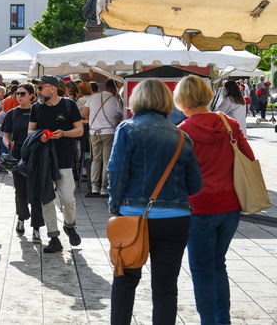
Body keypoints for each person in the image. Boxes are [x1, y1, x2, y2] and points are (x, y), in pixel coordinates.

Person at [108, 78, 202, 325]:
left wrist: (115, 206)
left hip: (134, 216)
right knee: (165, 286)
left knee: (125, 279)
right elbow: (195, 185)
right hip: (175, 218)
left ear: (136, 99)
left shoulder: (127, 129)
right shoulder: (182, 136)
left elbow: (116, 172)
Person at [175, 75, 255, 325]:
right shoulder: (228, 123)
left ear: (182, 99)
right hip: (230, 206)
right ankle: (222, 320)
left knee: (201, 270)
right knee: (218, 264)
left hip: (198, 208)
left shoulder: (183, 131)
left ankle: (209, 321)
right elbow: (249, 158)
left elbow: (176, 174)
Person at [27, 75, 83, 253]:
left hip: (64, 159)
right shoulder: (36, 107)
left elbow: (79, 130)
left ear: (52, 88)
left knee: (68, 199)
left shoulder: (69, 105)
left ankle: (69, 225)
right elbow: (30, 131)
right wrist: (40, 136)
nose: (38, 91)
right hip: (43, 160)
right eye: (37, 88)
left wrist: (64, 134)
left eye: (40, 88)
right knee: (47, 200)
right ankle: (54, 237)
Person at [2, 83, 44, 244]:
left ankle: (36, 228)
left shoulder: (38, 112)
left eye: (23, 93)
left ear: (32, 95)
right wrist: (7, 143)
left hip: (35, 154)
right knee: (20, 190)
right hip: (17, 153)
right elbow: (6, 135)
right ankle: (21, 217)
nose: (19, 96)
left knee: (36, 192)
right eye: (17, 93)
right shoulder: (12, 114)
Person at [83, 79, 123, 197]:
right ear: (115, 88)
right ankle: (104, 188)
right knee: (106, 160)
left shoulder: (93, 98)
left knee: (96, 159)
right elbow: (120, 117)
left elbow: (85, 113)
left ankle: (94, 186)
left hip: (94, 132)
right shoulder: (115, 100)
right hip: (109, 132)